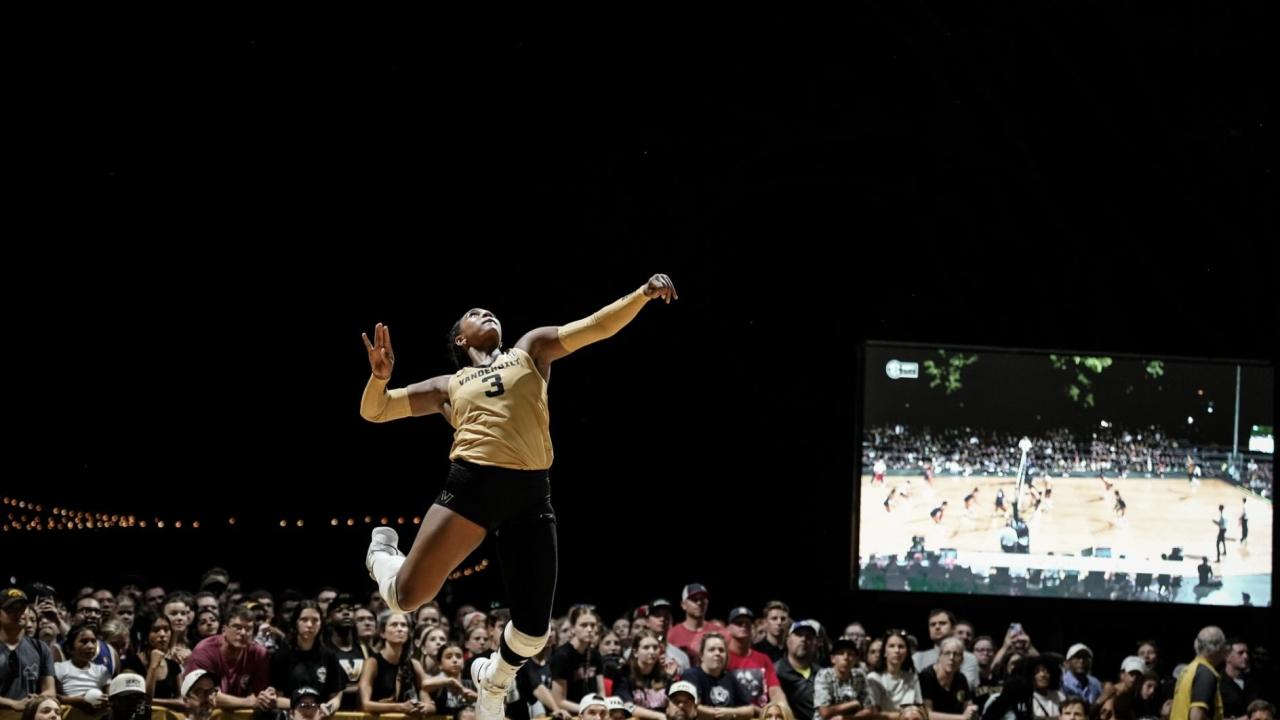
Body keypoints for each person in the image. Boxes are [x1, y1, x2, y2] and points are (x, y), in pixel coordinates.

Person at [361, 273, 678, 720]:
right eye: (473, 314)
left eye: (489, 310)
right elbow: (375, 411)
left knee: (533, 632)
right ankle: (381, 556)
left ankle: (493, 681)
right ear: (459, 337)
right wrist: (380, 379)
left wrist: (642, 295)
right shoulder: (447, 385)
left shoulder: (530, 350)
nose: (486, 313)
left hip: (531, 495)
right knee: (406, 598)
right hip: (472, 487)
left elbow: (595, 326)